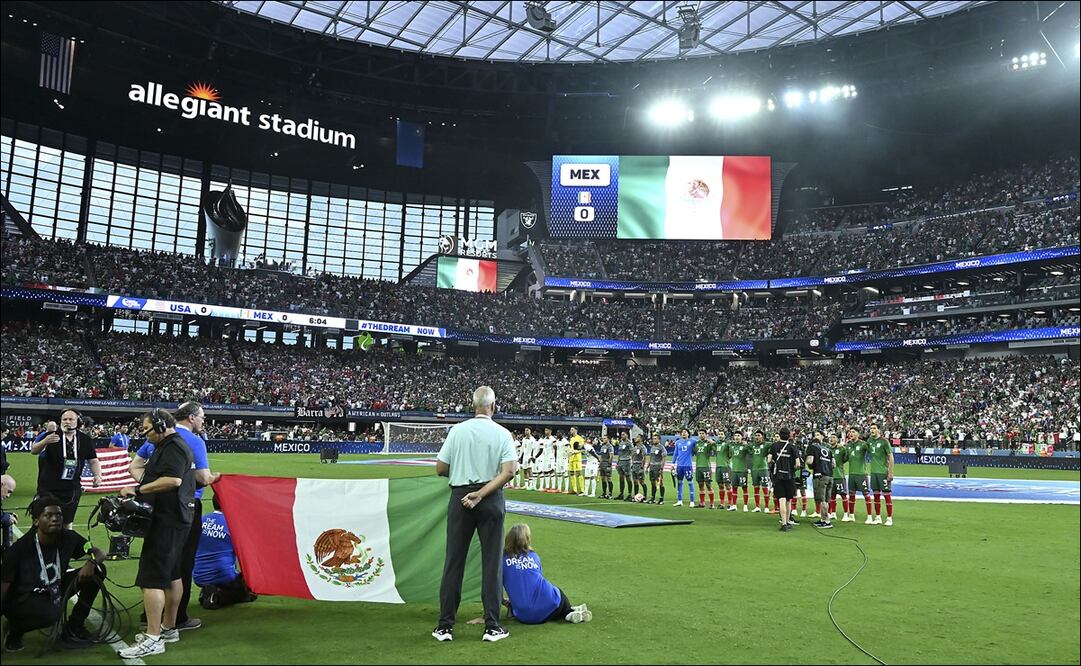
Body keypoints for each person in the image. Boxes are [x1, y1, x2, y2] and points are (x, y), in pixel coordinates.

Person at [434, 386, 517, 643]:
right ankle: (492, 626)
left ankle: (445, 626)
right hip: (490, 499)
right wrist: (481, 493)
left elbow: (440, 468)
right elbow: (509, 471)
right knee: (491, 564)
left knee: (453, 562)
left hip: (460, 497)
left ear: (474, 405)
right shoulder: (502, 433)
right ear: (493, 406)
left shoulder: (457, 431)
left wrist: (465, 482)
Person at [131, 401, 218, 632]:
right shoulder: (191, 441)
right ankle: (175, 620)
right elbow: (202, 477)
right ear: (191, 417)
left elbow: (136, 466)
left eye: (147, 428)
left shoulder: (163, 443)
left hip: (162, 508)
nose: (203, 421)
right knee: (178, 567)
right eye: (202, 417)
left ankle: (157, 623)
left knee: (161, 569)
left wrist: (145, 486)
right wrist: (216, 477)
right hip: (183, 507)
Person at [117, 409, 197, 658]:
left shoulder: (173, 447)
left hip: (167, 520)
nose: (145, 434)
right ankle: (169, 628)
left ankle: (153, 637)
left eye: (147, 429)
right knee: (172, 574)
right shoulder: (170, 445)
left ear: (161, 426)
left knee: (151, 578)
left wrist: (139, 490)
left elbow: (173, 481)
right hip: (175, 519)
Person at [0, 495, 108, 652]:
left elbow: (98, 552)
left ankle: (74, 627)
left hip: (55, 588)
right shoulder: (19, 550)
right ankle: (14, 630)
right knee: (51, 613)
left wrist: (92, 562)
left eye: (58, 515)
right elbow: (3, 589)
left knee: (98, 570)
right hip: (22, 599)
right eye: (48, 515)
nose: (55, 519)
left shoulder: (69, 538)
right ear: (36, 521)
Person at [501, 524, 591, 625]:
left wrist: (505, 601)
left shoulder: (502, 560)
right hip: (548, 604)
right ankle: (568, 611)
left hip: (524, 616)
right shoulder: (533, 556)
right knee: (556, 593)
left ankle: (570, 611)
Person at [31, 410, 101, 529]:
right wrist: (45, 442)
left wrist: (97, 475)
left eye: (71, 419)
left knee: (67, 523)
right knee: (44, 521)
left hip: (71, 489)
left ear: (78, 422)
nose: (67, 422)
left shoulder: (85, 439)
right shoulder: (51, 436)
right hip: (49, 488)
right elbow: (34, 450)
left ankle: (65, 546)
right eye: (64, 419)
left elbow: (93, 460)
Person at [194, 495, 257, 610]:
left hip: (198, 575)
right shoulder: (233, 525)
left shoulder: (201, 520)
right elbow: (245, 555)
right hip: (224, 575)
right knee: (247, 590)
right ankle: (216, 597)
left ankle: (210, 590)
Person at [767, 428, 801, 532]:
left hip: (778, 476)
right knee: (788, 500)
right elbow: (798, 464)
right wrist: (792, 468)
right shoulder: (792, 447)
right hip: (790, 476)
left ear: (779, 435)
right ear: (789, 436)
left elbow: (769, 460)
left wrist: (775, 463)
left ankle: (784, 523)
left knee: (781, 499)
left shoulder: (774, 446)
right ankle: (788, 521)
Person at [867, 424, 895, 526]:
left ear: (878, 430)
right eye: (871, 428)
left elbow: (891, 457)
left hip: (883, 472)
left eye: (874, 428)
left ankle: (889, 518)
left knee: (887, 495)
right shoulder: (869, 441)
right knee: (876, 495)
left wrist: (890, 472)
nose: (872, 430)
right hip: (873, 473)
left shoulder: (884, 441)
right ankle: (878, 517)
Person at [845, 428, 874, 525]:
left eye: (853, 432)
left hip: (861, 474)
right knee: (851, 495)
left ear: (858, 433)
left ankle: (869, 516)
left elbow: (871, 451)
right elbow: (845, 458)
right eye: (850, 432)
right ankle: (851, 515)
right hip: (851, 474)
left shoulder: (863, 444)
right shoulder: (848, 445)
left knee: (866, 494)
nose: (851, 433)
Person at [805, 431, 834, 528]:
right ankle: (823, 519)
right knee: (826, 499)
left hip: (820, 475)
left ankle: (826, 521)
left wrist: (811, 466)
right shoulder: (828, 449)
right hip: (829, 476)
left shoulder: (812, 447)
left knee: (822, 500)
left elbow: (810, 461)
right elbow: (833, 464)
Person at [671, 429, 696, 507]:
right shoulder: (678, 442)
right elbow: (675, 453)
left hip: (688, 465)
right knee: (679, 482)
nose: (683, 434)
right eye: (682, 433)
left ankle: (692, 501)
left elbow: (699, 446)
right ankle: (679, 500)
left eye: (685, 432)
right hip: (679, 466)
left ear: (688, 434)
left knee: (690, 482)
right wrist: (673, 463)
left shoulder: (692, 441)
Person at [829, 434, 851, 522]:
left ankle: (846, 514)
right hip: (830, 476)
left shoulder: (841, 449)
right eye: (831, 437)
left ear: (838, 440)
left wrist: (844, 447)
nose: (831, 439)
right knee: (832, 496)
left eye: (834, 437)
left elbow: (846, 458)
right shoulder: (828, 450)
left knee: (843, 495)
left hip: (839, 476)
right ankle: (833, 513)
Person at [693, 429, 716, 509]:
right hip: (698, 467)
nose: (701, 435)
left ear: (706, 435)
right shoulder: (696, 443)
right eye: (700, 433)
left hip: (706, 466)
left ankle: (712, 504)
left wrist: (713, 443)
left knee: (708, 485)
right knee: (700, 485)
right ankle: (702, 503)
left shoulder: (708, 443)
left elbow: (716, 450)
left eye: (703, 433)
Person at [749, 431, 772, 513]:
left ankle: (766, 506)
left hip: (763, 469)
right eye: (755, 435)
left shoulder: (767, 444)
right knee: (756, 488)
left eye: (758, 435)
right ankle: (757, 506)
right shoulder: (752, 445)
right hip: (754, 469)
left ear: (762, 437)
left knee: (765, 488)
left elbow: (774, 445)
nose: (757, 437)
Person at [728, 431, 751, 512]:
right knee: (734, 488)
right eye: (735, 435)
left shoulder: (745, 446)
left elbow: (751, 453)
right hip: (734, 470)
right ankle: (734, 505)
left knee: (744, 488)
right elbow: (730, 455)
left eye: (738, 435)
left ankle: (745, 506)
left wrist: (747, 446)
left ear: (742, 437)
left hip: (742, 471)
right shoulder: (732, 446)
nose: (737, 437)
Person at [646, 434, 667, 505]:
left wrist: (661, 467)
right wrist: (647, 467)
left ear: (659, 439)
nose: (654, 440)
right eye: (653, 438)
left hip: (658, 467)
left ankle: (661, 498)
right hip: (652, 467)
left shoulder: (662, 448)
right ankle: (653, 497)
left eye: (655, 438)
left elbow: (664, 458)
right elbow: (650, 458)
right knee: (652, 483)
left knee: (660, 483)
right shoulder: (652, 447)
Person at [714, 430, 732, 510]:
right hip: (718, 467)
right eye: (719, 434)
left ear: (725, 435)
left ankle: (730, 503)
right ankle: (722, 503)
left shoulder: (728, 444)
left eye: (722, 434)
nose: (720, 435)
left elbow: (731, 453)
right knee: (720, 485)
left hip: (725, 467)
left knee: (727, 485)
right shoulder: (716, 443)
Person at [614, 432, 633, 501]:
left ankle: (630, 494)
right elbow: (620, 453)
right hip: (620, 462)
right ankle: (621, 494)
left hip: (627, 461)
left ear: (627, 435)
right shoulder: (621, 443)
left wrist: (630, 461)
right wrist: (618, 462)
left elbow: (632, 452)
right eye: (621, 434)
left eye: (623, 434)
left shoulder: (629, 443)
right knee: (621, 478)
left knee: (628, 478)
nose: (622, 436)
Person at [596, 435, 614, 499]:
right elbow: (601, 456)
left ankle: (610, 494)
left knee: (609, 479)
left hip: (607, 464)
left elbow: (611, 455)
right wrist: (600, 463)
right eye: (603, 438)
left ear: (608, 439)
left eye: (605, 438)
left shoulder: (610, 446)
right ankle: (604, 493)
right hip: (602, 464)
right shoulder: (602, 446)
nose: (603, 439)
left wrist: (609, 463)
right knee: (603, 479)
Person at [567, 428, 585, 496]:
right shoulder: (571, 439)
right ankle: (574, 489)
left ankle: (582, 490)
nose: (570, 431)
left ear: (576, 430)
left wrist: (575, 452)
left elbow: (581, 448)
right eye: (570, 429)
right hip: (571, 458)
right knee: (571, 473)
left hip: (577, 458)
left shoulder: (580, 438)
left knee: (578, 473)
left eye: (572, 430)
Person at [630, 435, 647, 501]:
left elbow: (644, 457)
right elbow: (632, 456)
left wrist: (641, 467)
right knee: (635, 482)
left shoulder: (642, 447)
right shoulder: (634, 447)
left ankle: (645, 496)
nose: (635, 438)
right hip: (634, 466)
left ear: (641, 439)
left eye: (637, 437)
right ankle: (635, 496)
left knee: (642, 482)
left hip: (639, 466)